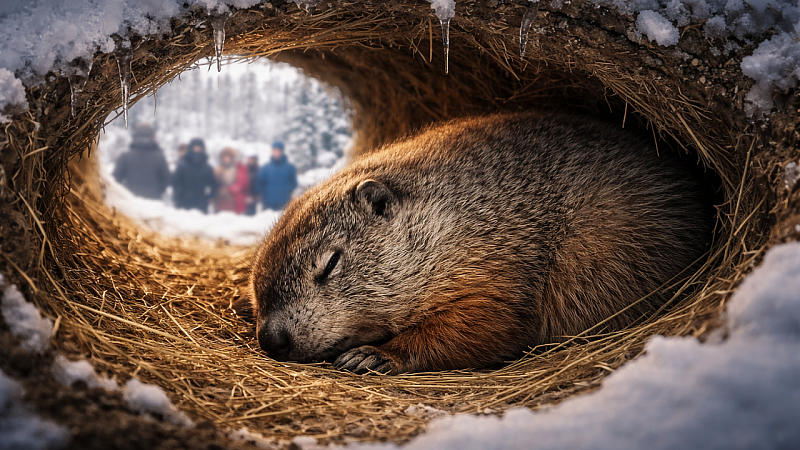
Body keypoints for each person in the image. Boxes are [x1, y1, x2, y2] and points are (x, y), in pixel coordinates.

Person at [112, 123, 170, 200]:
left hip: (129, 200)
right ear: (152, 136)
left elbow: (115, 179)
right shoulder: (159, 157)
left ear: (135, 136)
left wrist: (123, 193)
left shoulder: (125, 156)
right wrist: (157, 192)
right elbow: (166, 179)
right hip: (153, 201)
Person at [172, 138, 217, 214]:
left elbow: (214, 184)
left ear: (203, 149)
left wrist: (210, 197)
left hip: (201, 203)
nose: (197, 150)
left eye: (199, 148)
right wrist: (176, 197)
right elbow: (175, 182)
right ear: (190, 149)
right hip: (183, 202)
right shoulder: (182, 166)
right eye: (195, 148)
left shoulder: (207, 168)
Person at [257, 141, 298, 210]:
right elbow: (259, 182)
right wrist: (264, 194)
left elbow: (294, 183)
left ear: (282, 152)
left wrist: (286, 191)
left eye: (278, 151)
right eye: (274, 151)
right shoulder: (266, 167)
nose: (276, 153)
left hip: (284, 203)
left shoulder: (289, 167)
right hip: (268, 203)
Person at [213, 147, 250, 214]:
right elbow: (214, 184)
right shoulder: (219, 168)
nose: (226, 159)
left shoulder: (237, 168)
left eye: (228, 157)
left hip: (234, 200)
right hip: (220, 199)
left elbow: (241, 183)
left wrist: (229, 189)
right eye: (224, 158)